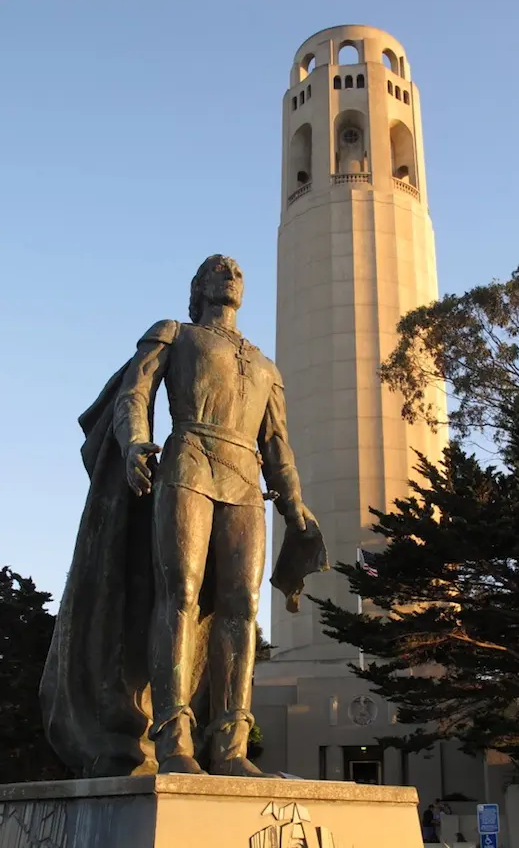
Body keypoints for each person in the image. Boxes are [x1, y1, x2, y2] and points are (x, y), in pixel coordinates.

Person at [41, 254, 326, 778]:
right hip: (188, 463)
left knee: (241, 606)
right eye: (219, 269)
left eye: (237, 272)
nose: (231, 276)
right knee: (181, 595)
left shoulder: (266, 367)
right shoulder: (175, 333)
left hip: (245, 481)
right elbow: (134, 395)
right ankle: (174, 739)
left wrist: (293, 500)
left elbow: (277, 443)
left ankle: (232, 748)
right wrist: (134, 443)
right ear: (198, 287)